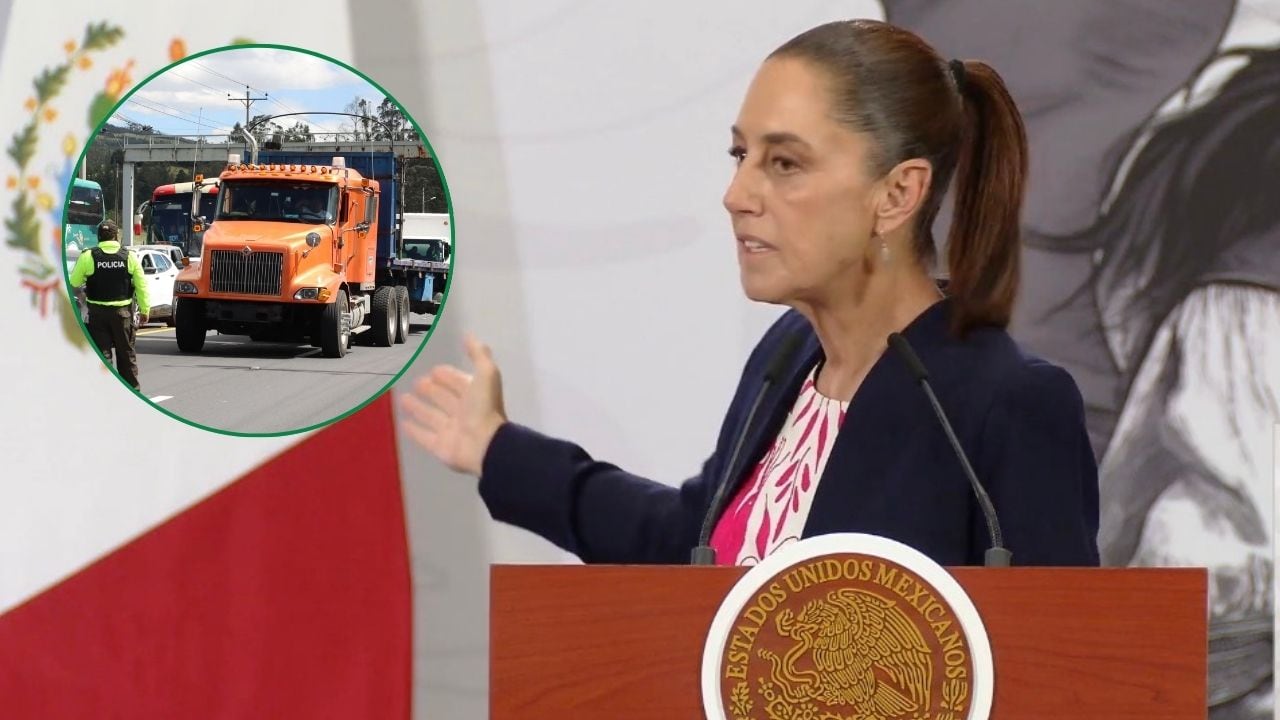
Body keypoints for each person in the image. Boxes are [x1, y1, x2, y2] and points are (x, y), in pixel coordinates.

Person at [401, 19, 1101, 568]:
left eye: (784, 163)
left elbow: (1065, 667)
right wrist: (500, 450)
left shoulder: (1007, 404)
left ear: (897, 194)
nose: (737, 195)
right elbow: (692, 545)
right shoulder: (790, 354)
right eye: (741, 155)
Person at [68, 220, 150, 391]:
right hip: (123, 315)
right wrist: (145, 310)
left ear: (99, 236)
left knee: (102, 357)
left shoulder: (88, 256)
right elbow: (141, 286)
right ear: (116, 236)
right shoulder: (129, 256)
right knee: (126, 356)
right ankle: (132, 392)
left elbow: (74, 282)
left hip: (97, 315)